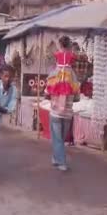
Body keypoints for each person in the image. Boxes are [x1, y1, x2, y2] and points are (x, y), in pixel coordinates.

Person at [46, 36, 80, 172]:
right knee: (61, 138)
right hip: (67, 113)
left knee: (57, 138)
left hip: (55, 111)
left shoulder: (53, 74)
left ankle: (61, 162)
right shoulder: (73, 77)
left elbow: (47, 92)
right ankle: (56, 158)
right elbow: (77, 97)